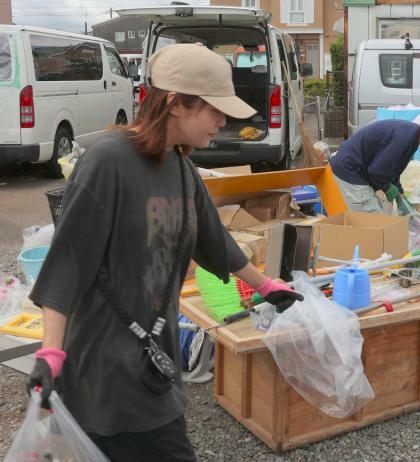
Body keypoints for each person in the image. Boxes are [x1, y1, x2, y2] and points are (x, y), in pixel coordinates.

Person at [26, 43, 303, 462]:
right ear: (175, 103)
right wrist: (50, 354)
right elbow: (67, 263)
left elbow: (213, 239)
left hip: (154, 362)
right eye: (214, 110)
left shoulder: (180, 167)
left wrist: (266, 286)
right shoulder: (108, 161)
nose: (222, 121)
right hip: (104, 373)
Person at [330, 119, 420, 213]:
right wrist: (389, 189)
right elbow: (377, 172)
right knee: (373, 222)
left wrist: (400, 194)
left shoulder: (411, 136)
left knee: (379, 217)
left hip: (355, 169)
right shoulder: (406, 136)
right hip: (350, 169)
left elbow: (392, 171)